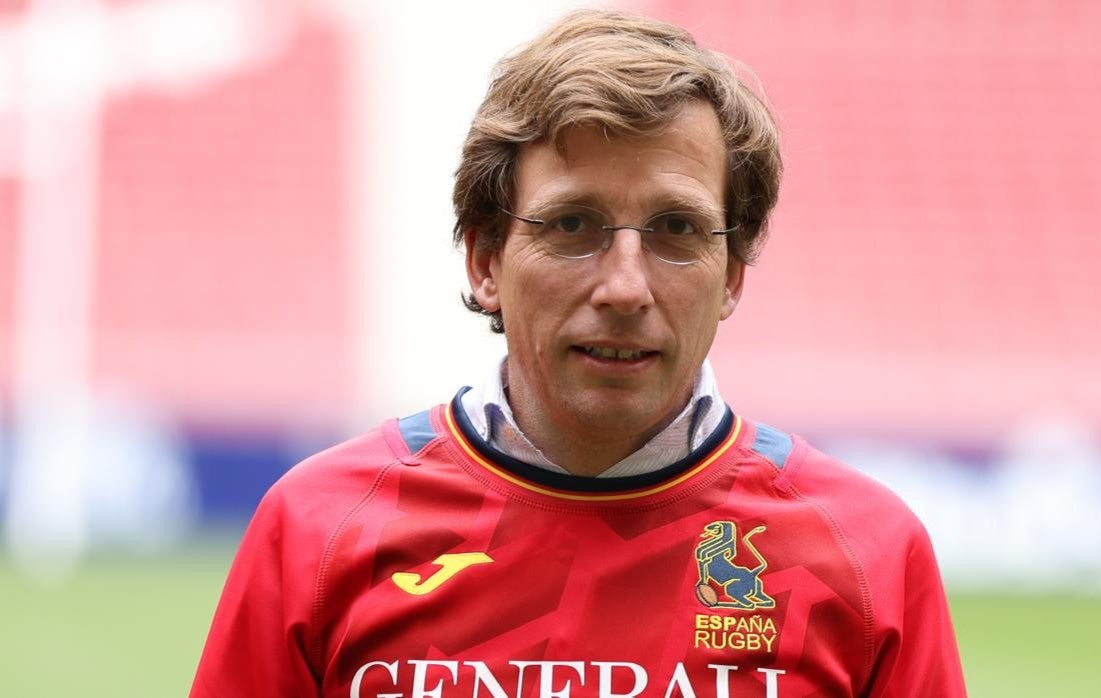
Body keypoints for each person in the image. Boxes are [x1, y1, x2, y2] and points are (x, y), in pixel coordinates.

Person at [192, 10, 966, 697]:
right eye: (572, 226)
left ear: (731, 275)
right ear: (485, 261)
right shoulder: (319, 531)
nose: (626, 287)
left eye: (676, 230)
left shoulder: (865, 555)